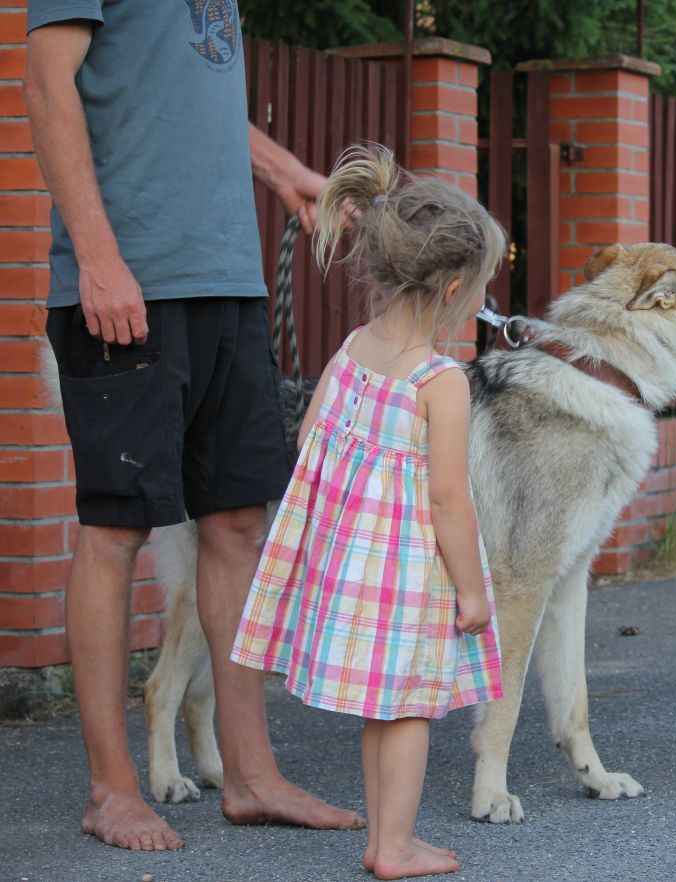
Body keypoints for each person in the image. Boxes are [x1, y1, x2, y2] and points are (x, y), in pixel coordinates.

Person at [23, 0, 362, 852]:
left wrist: (285, 174)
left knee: (239, 520)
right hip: (128, 279)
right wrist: (97, 258)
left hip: (226, 278)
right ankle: (111, 789)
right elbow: (45, 81)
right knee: (115, 527)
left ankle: (250, 776)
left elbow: (185, 97)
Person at [230, 144, 506, 880]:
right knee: (410, 710)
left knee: (381, 711)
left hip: (351, 564)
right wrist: (473, 590)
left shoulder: (354, 350)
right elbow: (449, 498)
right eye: (482, 287)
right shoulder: (441, 381)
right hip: (412, 572)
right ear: (452, 289)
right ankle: (394, 845)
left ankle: (386, 839)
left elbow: (315, 440)